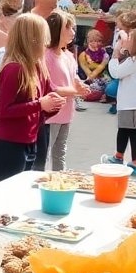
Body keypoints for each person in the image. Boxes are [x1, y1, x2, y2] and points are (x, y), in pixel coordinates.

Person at [0, 14, 64, 180]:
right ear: (32, 40)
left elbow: (44, 104)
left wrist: (53, 105)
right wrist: (40, 104)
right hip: (11, 143)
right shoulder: (14, 69)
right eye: (43, 38)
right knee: (11, 190)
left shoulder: (38, 67)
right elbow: (5, 110)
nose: (46, 43)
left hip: (31, 139)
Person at [41, 10, 89, 170]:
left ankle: (60, 182)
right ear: (57, 30)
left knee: (60, 152)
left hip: (66, 113)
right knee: (44, 154)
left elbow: (73, 75)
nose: (73, 32)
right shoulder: (46, 56)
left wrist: (79, 84)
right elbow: (50, 87)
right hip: (51, 116)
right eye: (69, 28)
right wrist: (75, 91)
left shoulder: (67, 54)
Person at [106, 27, 136, 176]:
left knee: (125, 131)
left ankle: (123, 158)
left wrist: (115, 55)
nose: (126, 41)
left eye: (130, 39)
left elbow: (116, 73)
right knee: (132, 132)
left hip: (129, 103)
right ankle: (129, 159)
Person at [79, 28, 109, 96]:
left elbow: (101, 67)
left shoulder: (105, 54)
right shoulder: (83, 55)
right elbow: (87, 71)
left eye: (98, 41)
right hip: (90, 79)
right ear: (88, 42)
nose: (96, 43)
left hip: (103, 78)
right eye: (92, 41)